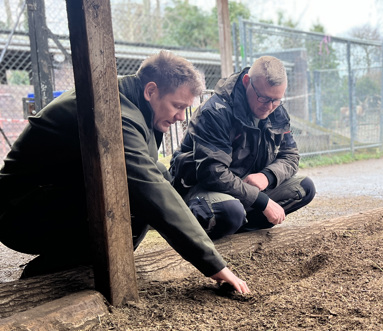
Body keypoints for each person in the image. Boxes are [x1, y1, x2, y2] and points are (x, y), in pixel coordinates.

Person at [0, 51, 249, 293]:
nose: (180, 117)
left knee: (157, 178)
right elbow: (150, 188)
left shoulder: (130, 101)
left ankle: (82, 263)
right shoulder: (114, 114)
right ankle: (53, 272)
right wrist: (215, 265)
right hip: (18, 214)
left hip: (45, 199)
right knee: (137, 198)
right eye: (177, 106)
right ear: (151, 91)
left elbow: (154, 174)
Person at [170, 56, 315, 239]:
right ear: (247, 82)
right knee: (230, 211)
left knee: (304, 188)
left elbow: (291, 156)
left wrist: (267, 176)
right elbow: (213, 173)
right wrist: (262, 201)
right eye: (263, 98)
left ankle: (241, 231)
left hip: (245, 191)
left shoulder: (276, 110)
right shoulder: (215, 111)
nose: (269, 107)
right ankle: (216, 227)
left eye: (276, 100)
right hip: (204, 189)